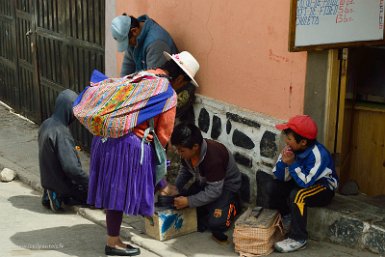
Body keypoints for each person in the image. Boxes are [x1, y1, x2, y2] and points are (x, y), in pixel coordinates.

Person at [86, 51, 200, 256]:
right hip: (127, 146)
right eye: (184, 83)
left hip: (103, 138)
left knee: (114, 193)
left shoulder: (144, 75)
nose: (182, 87)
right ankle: (113, 243)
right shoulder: (167, 93)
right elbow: (163, 136)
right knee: (118, 195)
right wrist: (161, 177)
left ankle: (114, 239)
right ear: (181, 78)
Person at [258, 115, 339, 253]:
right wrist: (284, 163)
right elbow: (280, 177)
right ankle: (288, 216)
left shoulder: (319, 154)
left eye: (289, 139)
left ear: (302, 142)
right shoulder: (290, 149)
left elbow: (305, 183)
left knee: (298, 195)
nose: (286, 141)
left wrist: (292, 164)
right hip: (300, 180)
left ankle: (298, 238)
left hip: (322, 188)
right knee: (271, 185)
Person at [111, 13, 196, 123]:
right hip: (153, 88)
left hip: (166, 90)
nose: (128, 45)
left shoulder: (156, 43)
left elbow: (154, 88)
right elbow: (126, 73)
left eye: (127, 42)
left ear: (134, 31)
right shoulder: (133, 41)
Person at [166, 123, 242, 244]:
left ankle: (234, 205)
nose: (179, 153)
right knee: (177, 202)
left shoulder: (213, 158)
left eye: (181, 150)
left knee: (216, 224)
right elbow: (185, 170)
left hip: (226, 188)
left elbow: (215, 191)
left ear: (195, 147)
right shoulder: (187, 152)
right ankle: (208, 207)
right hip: (205, 183)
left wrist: (189, 201)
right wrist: (176, 187)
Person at [38, 89, 89, 213]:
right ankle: (59, 195)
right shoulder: (61, 132)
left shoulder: (46, 124)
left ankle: (50, 191)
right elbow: (72, 169)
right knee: (96, 198)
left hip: (48, 178)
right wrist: (90, 185)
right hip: (62, 183)